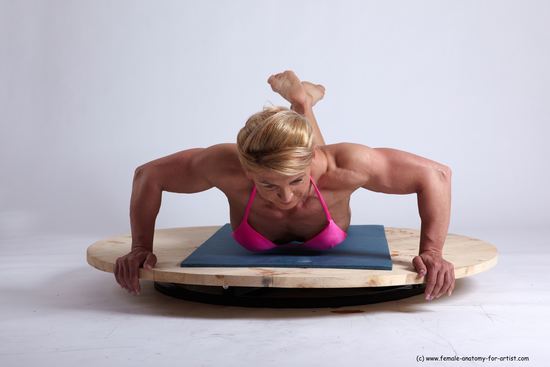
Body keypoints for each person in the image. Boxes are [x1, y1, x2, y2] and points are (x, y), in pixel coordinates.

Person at [114, 70, 455, 301]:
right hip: (295, 167)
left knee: (320, 152)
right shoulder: (224, 165)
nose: (286, 197)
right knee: (305, 153)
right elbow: (149, 175)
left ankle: (304, 103)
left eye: (296, 181)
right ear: (246, 170)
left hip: (320, 170)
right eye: (268, 185)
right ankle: (303, 102)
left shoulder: (343, 165)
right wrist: (140, 246)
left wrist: (432, 252)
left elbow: (435, 175)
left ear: (310, 165)